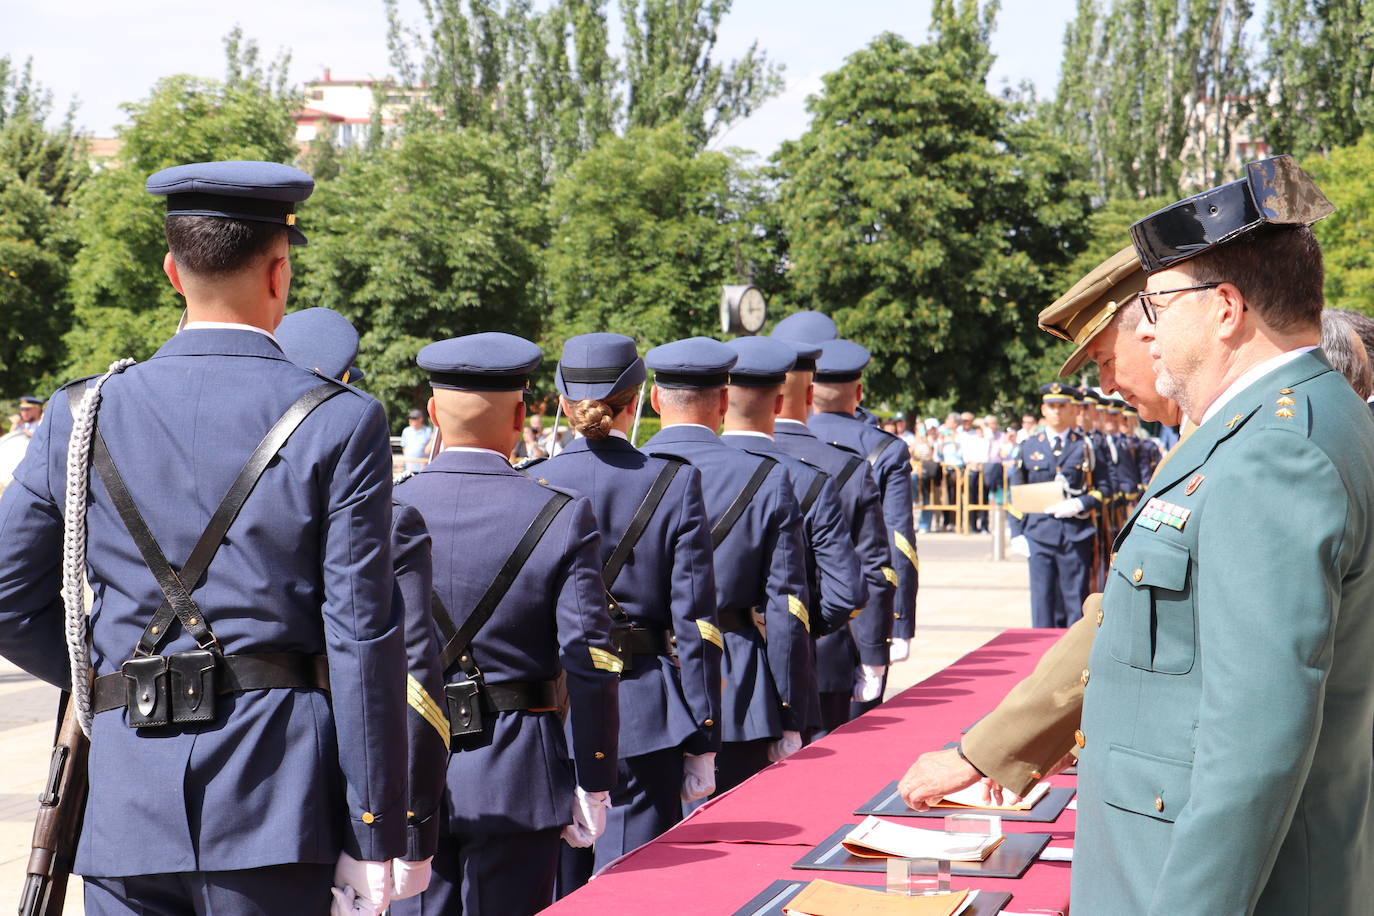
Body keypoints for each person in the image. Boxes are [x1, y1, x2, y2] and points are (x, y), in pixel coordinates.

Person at [0, 160, 410, 913]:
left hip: (128, 799)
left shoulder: (80, 410)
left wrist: (112, 684)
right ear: (281, 272)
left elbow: (6, 599)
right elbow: (361, 635)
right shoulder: (342, 418)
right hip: (276, 799)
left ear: (171, 270)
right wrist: (374, 826)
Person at [1073, 155, 1374, 915]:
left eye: (1157, 303)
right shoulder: (1308, 415)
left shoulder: (1275, 451)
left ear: (1226, 308)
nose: (1148, 329)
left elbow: (1254, 747)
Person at [390, 332, 620, 916]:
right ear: (521, 415)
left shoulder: (387, 511)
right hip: (520, 771)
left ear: (434, 413)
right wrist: (593, 775)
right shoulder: (561, 514)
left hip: (409, 771)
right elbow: (589, 659)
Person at [535, 333, 721, 894]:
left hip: (550, 710)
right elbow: (696, 624)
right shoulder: (672, 482)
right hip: (643, 709)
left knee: (549, 889)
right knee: (634, 892)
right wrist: (704, 735)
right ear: (637, 399)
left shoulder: (530, 481)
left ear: (563, 400)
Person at [277, 306, 446, 898]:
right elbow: (401, 672)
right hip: (308, 779)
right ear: (343, 385)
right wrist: (396, 828)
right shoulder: (387, 516)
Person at [640, 337, 812, 794]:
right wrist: (791, 711)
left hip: (643, 682)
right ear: (722, 402)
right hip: (736, 685)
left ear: (656, 399)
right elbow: (787, 606)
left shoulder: (630, 471)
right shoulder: (766, 476)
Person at [720, 336, 867, 735]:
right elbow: (846, 592)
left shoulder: (676, 473)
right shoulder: (808, 480)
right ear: (780, 402)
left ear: (721, 400)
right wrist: (798, 628)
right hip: (781, 674)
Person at [771, 338, 895, 736]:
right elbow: (869, 570)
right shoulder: (850, 468)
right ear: (809, 395)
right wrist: (871, 650)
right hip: (823, 657)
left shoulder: (706, 466)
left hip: (733, 663)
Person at [796, 335, 918, 677]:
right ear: (859, 392)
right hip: (860, 617)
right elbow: (899, 540)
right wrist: (899, 619)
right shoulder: (886, 448)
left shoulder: (786, 438)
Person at [1007, 383, 1106, 628]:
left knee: (1076, 606)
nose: (1057, 412)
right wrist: (1016, 533)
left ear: (1072, 410)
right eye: (1052, 406)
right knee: (1042, 605)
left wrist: (1080, 503)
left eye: (1062, 406)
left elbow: (1103, 488)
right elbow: (1016, 493)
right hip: (1038, 534)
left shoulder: (1085, 446)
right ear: (1043, 410)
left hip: (1075, 533)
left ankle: (1072, 663)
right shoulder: (1028, 447)